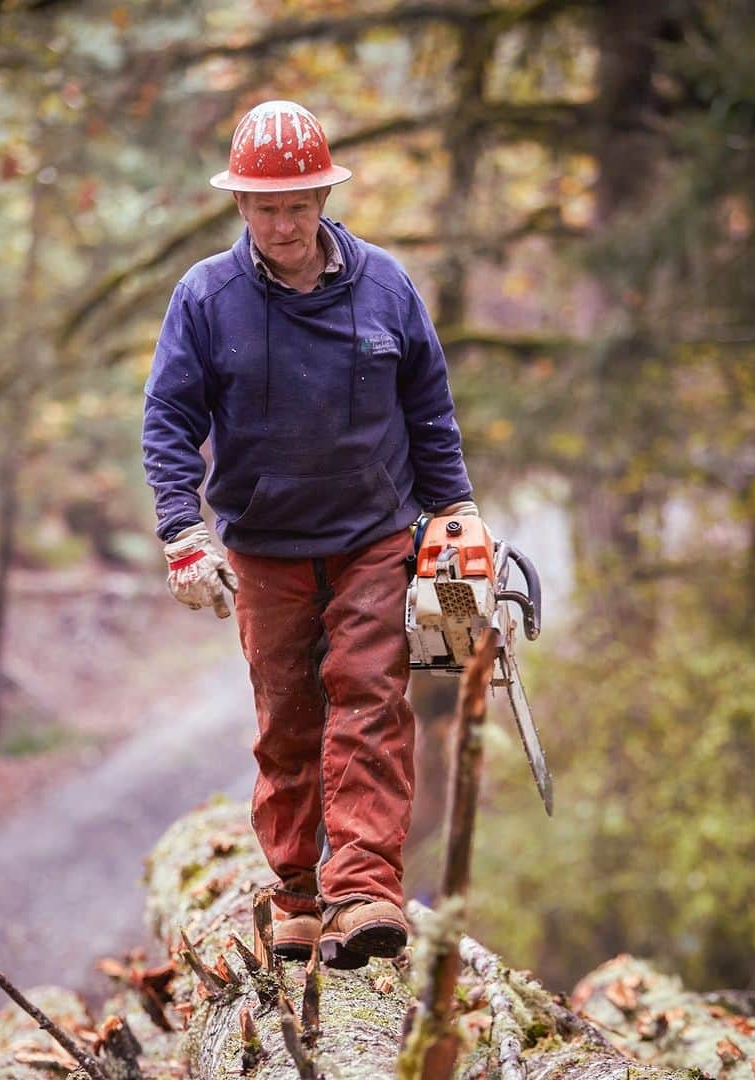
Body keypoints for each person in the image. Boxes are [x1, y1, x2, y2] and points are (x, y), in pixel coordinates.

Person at [142, 100, 477, 970]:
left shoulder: (388, 287)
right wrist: (184, 529)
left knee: (369, 699)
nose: (283, 223)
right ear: (239, 206)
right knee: (287, 719)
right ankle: (295, 894)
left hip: (374, 537)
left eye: (298, 204)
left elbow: (430, 411)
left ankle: (363, 891)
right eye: (265, 206)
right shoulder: (204, 298)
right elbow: (168, 419)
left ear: (325, 194)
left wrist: (457, 517)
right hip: (263, 544)